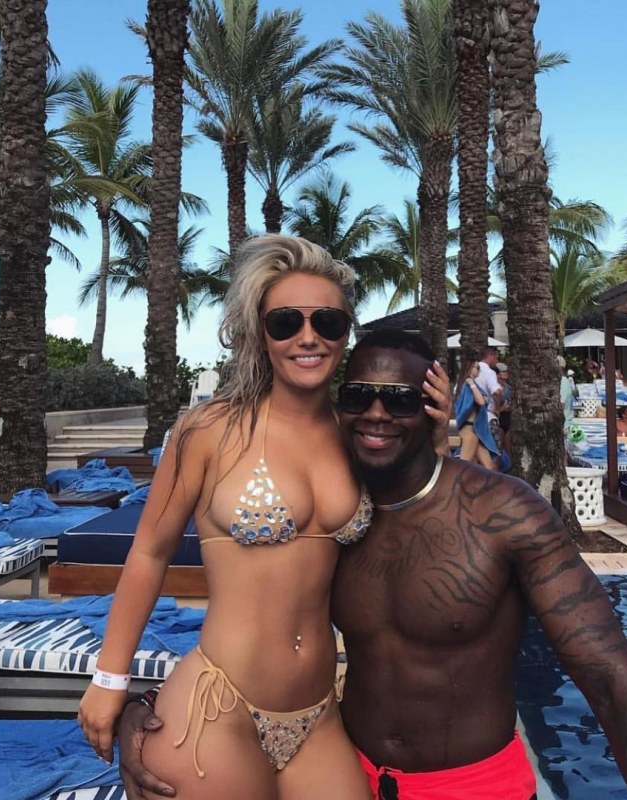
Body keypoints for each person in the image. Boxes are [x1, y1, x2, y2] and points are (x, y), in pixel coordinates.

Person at [121, 330, 627, 800]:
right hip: (346, 774)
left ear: (432, 407)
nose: (376, 414)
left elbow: (608, 674)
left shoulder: (504, 514)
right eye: (358, 397)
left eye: (399, 399)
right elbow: (260, 631)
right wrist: (150, 710)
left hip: (473, 786)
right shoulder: (340, 523)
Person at [76, 234, 452, 799]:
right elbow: (150, 552)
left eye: (328, 322)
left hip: (318, 714)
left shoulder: (357, 435)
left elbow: (421, 541)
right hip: (218, 706)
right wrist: (110, 678)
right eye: (286, 322)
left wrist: (434, 440)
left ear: (346, 333)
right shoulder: (209, 430)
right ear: (261, 332)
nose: (308, 337)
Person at [454, 359, 498, 470]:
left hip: (477, 431)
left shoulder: (473, 385)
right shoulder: (468, 385)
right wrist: (472, 384)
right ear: (470, 368)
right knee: (464, 466)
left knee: (489, 466)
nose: (479, 370)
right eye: (477, 367)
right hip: (469, 430)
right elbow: (480, 402)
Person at [496, 362, 512, 455]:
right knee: (499, 447)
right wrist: (501, 409)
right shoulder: (492, 387)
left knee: (508, 447)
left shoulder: (509, 388)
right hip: (497, 420)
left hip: (508, 420)